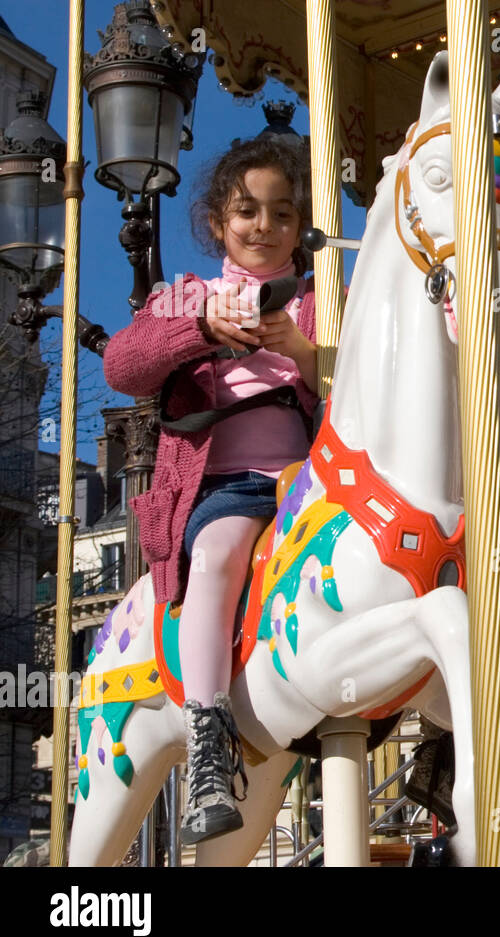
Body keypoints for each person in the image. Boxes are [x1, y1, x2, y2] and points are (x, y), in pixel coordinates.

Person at [103, 138, 320, 845]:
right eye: (246, 211)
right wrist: (198, 331)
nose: (264, 226)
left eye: (281, 213)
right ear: (218, 221)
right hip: (228, 485)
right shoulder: (188, 294)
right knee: (220, 555)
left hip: (309, 484)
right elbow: (123, 364)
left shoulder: (322, 302)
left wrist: (309, 355)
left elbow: (365, 392)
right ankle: (206, 734)